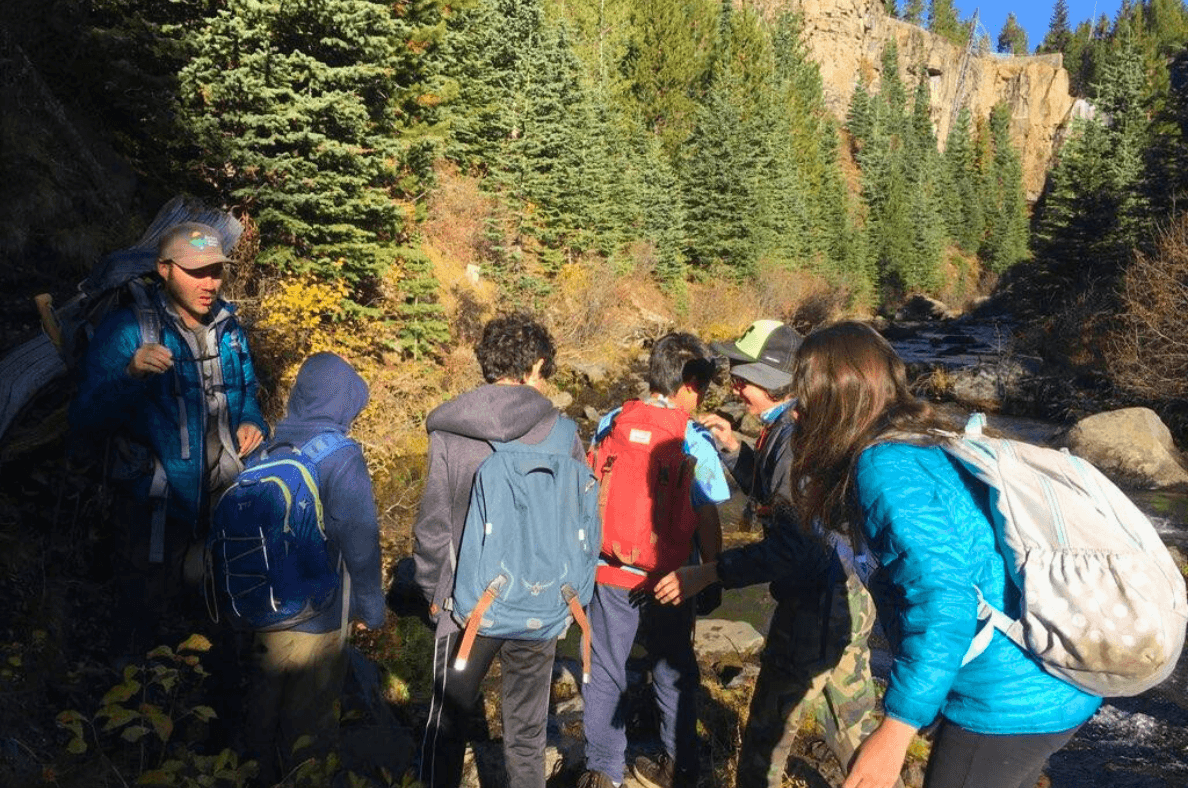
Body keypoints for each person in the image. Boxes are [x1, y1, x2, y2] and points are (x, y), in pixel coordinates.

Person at [788, 321, 1102, 788]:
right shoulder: (928, 438)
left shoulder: (884, 468)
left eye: (805, 398)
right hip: (1048, 674)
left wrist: (896, 729)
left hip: (1008, 698)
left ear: (837, 399)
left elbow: (943, 600)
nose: (796, 414)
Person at [654, 319, 894, 788]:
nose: (734, 384)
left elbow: (794, 547)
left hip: (813, 609)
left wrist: (712, 572)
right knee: (854, 724)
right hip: (849, 601)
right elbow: (779, 500)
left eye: (741, 374)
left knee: (765, 741)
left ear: (769, 377)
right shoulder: (793, 424)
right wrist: (731, 448)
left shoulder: (791, 439)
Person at [70, 221, 267, 657]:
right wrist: (130, 375)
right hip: (151, 511)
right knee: (140, 628)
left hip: (219, 505)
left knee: (215, 628)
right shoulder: (128, 331)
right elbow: (84, 419)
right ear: (164, 269)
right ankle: (128, 712)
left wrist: (253, 421)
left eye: (216, 271)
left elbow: (247, 392)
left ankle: (204, 716)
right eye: (196, 271)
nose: (209, 283)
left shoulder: (229, 327)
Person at [413, 313, 585, 788]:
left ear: (487, 364)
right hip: (541, 602)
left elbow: (432, 524)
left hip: (466, 607)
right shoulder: (565, 434)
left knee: (445, 727)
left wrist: (432, 590)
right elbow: (580, 524)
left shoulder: (450, 430)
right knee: (527, 734)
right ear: (537, 366)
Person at [580, 332, 729, 788]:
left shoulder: (611, 420)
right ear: (689, 383)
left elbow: (590, 489)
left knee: (606, 666)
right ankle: (678, 768)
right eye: (701, 386)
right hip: (671, 577)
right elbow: (707, 515)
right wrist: (712, 574)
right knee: (672, 668)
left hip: (609, 570)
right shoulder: (693, 439)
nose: (701, 397)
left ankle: (604, 772)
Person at [240, 352, 386, 783]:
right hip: (316, 621)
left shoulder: (266, 448)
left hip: (258, 616)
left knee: (256, 731)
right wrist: (371, 609)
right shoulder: (341, 457)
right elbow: (360, 541)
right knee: (310, 736)